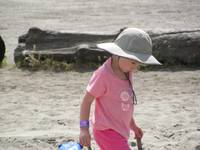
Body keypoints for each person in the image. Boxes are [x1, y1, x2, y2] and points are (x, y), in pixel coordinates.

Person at [79, 28, 161, 150]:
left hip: (121, 131)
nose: (135, 68)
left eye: (139, 64)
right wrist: (84, 129)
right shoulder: (104, 75)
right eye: (133, 62)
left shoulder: (127, 72)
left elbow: (124, 104)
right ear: (118, 54)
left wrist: (133, 125)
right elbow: (87, 101)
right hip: (106, 131)